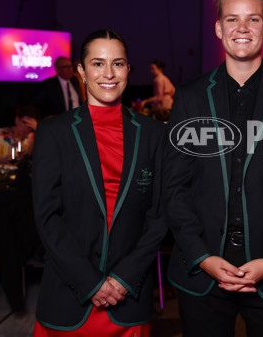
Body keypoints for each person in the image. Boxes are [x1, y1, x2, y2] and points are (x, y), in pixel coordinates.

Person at [164, 0, 263, 337]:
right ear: (218, 28)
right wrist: (202, 256)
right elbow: (173, 188)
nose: (243, 28)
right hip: (201, 271)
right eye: (232, 19)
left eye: (253, 19)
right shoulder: (190, 98)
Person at [32, 29, 167, 335]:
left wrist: (123, 278)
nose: (108, 73)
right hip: (69, 297)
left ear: (128, 69)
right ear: (81, 70)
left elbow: (159, 216)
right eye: (97, 63)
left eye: (118, 64)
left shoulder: (153, 134)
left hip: (127, 298)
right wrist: (90, 282)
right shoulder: (54, 132)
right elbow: (46, 217)